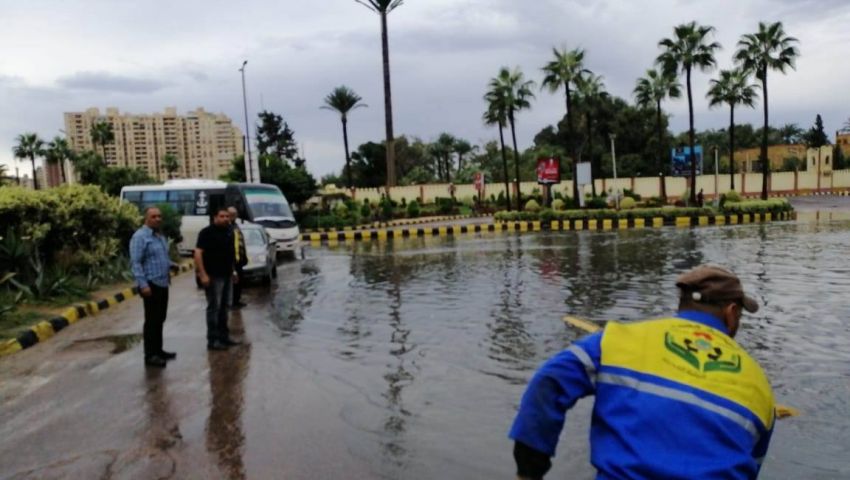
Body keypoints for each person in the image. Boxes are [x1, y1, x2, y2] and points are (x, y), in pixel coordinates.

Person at [509, 265, 775, 479]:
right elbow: (750, 466)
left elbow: (550, 381)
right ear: (731, 313)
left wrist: (530, 468)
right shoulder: (759, 384)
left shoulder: (617, 341)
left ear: (681, 305)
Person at [129, 207, 177, 368]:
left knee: (160, 319)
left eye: (159, 216)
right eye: (153, 216)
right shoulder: (140, 237)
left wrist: (172, 265)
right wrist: (143, 285)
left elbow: (160, 258)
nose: (157, 219)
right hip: (151, 285)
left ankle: (159, 350)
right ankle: (150, 355)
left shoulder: (159, 236)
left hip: (163, 283)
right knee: (151, 321)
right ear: (146, 218)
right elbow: (136, 263)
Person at [194, 207, 240, 351]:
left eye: (227, 216)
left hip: (227, 274)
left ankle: (224, 337)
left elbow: (231, 253)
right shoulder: (206, 233)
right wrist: (203, 274)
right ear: (215, 218)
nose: (226, 219)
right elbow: (198, 253)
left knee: (225, 307)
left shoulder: (229, 232)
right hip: (213, 276)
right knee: (214, 307)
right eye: (222, 216)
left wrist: (233, 271)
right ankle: (213, 340)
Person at [228, 207, 248, 308]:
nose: (234, 216)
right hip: (232, 259)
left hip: (239, 259)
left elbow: (240, 242)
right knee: (234, 281)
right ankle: (232, 302)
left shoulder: (235, 226)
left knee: (239, 281)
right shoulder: (228, 227)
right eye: (232, 214)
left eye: (235, 214)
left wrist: (244, 257)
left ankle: (237, 300)